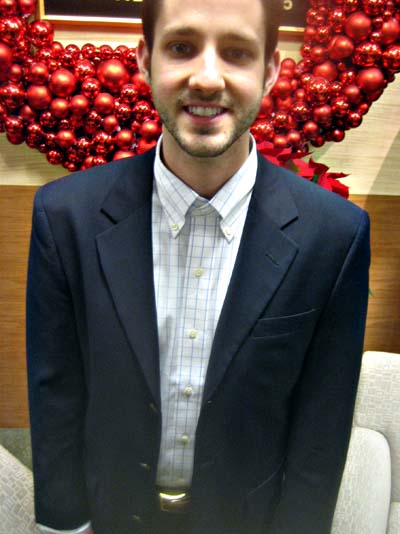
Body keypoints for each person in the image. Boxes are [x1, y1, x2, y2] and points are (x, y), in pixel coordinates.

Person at [26, 0, 370, 532]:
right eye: (182, 48)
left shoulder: (335, 236)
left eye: (236, 52)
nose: (207, 79)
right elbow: (57, 393)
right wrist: (63, 524)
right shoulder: (64, 217)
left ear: (271, 70)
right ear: (144, 60)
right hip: (109, 516)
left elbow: (321, 432)